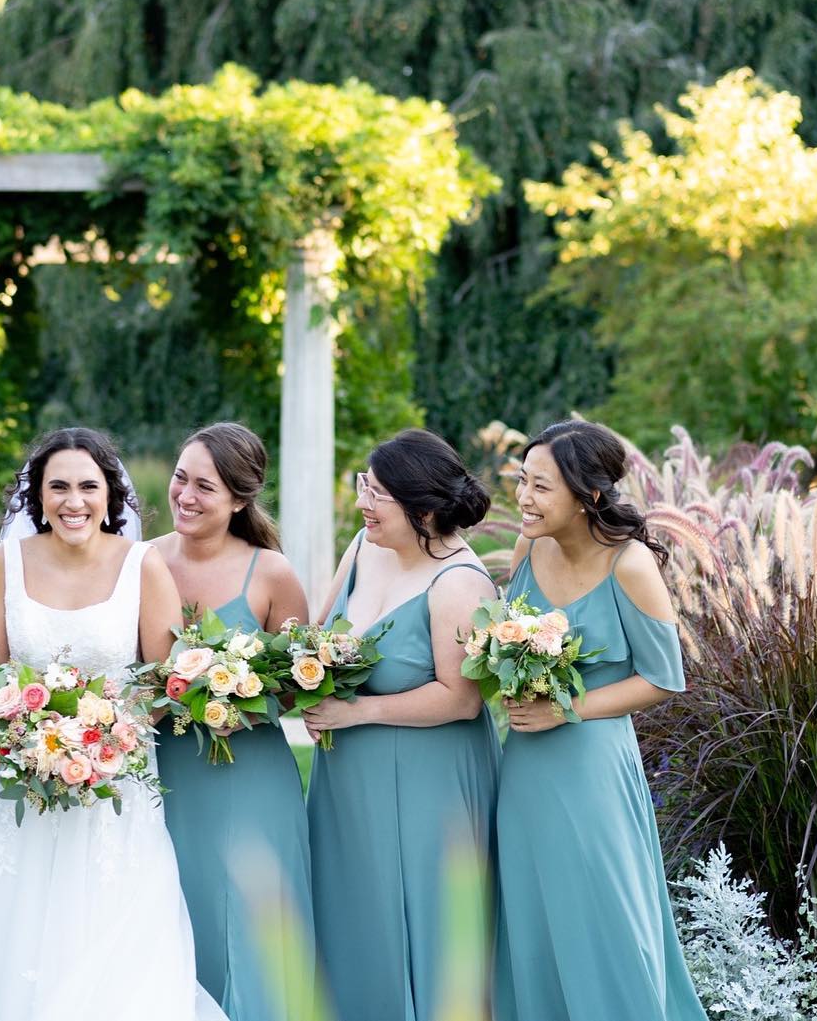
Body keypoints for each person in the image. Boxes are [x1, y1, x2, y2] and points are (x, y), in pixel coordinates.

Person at [0, 427, 226, 1021]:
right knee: (15, 933)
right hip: (19, 786)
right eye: (59, 488)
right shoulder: (8, 563)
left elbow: (163, 683)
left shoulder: (143, 565)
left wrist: (104, 739)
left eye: (87, 487)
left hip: (116, 787)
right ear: (37, 497)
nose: (74, 501)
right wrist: (28, 737)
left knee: (112, 937)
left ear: (111, 494)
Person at [494, 419, 706, 1021]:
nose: (523, 499)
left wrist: (565, 708)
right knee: (532, 918)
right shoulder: (528, 549)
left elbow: (665, 677)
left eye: (540, 487)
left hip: (592, 772)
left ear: (587, 495)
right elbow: (510, 641)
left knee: (602, 914)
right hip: (525, 766)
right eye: (522, 481)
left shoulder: (630, 565)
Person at [304, 428, 499, 1021]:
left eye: (377, 492)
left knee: (427, 925)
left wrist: (357, 711)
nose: (363, 501)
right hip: (348, 778)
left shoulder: (460, 582)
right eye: (365, 484)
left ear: (425, 509)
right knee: (354, 915)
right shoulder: (363, 549)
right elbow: (316, 635)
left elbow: (461, 699)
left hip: (429, 780)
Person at [150, 422, 314, 1021]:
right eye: (180, 478)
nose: (186, 496)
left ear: (240, 500)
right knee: (177, 915)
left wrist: (244, 699)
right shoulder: (144, 562)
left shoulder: (271, 573)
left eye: (206, 487)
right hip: (169, 772)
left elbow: (300, 686)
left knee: (254, 925)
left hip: (253, 777)